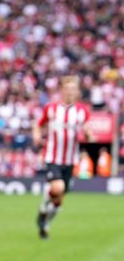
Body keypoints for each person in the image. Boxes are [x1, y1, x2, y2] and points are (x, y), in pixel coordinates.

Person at [32, 75, 89, 239]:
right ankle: (43, 209)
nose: (70, 92)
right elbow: (38, 124)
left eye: (73, 89)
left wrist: (88, 134)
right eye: (67, 89)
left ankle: (45, 221)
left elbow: (88, 133)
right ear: (62, 90)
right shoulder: (51, 108)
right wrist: (36, 135)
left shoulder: (82, 111)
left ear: (77, 91)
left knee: (58, 201)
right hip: (52, 157)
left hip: (70, 160)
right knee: (58, 188)